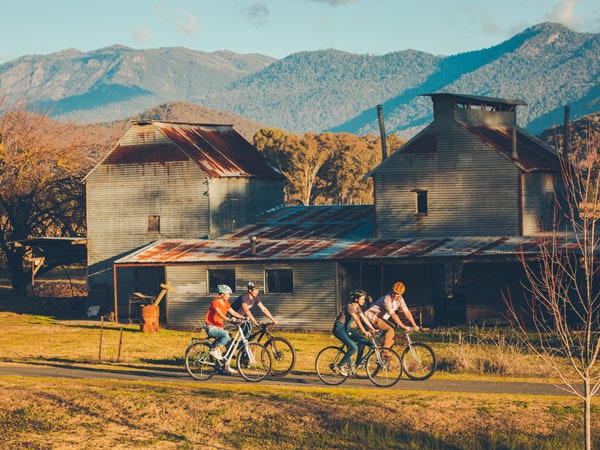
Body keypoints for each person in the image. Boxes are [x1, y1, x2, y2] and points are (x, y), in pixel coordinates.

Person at [332, 289, 378, 376]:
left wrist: (372, 329)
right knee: (354, 347)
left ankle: (358, 363)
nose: (364, 301)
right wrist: (364, 331)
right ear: (356, 299)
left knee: (362, 340)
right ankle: (340, 365)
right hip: (339, 329)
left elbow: (364, 318)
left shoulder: (358, 307)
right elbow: (357, 319)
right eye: (362, 299)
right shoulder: (350, 306)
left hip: (347, 328)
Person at [365, 281, 419, 351]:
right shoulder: (386, 299)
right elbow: (393, 315)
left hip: (381, 317)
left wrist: (414, 325)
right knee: (390, 330)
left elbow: (406, 312)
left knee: (391, 338)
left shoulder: (400, 299)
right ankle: (385, 352)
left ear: (401, 294)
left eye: (398, 294)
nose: (396, 295)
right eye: (394, 292)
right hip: (372, 316)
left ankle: (383, 358)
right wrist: (404, 326)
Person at [204, 284, 245, 372]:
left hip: (219, 328)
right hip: (211, 327)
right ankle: (215, 350)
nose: (229, 296)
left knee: (230, 344)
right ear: (222, 294)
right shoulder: (215, 302)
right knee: (226, 334)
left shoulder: (226, 303)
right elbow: (219, 313)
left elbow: (233, 312)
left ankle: (226, 367)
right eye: (228, 294)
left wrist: (243, 318)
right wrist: (228, 319)